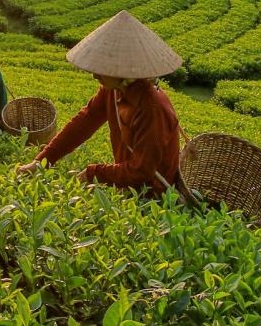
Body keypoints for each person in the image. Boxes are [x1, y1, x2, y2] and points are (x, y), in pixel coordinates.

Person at [17, 10, 182, 196]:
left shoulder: (152, 109)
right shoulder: (113, 89)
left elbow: (142, 171)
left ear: (122, 71)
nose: (94, 75)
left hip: (153, 198)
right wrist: (42, 161)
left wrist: (95, 173)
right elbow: (85, 121)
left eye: (103, 69)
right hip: (128, 186)